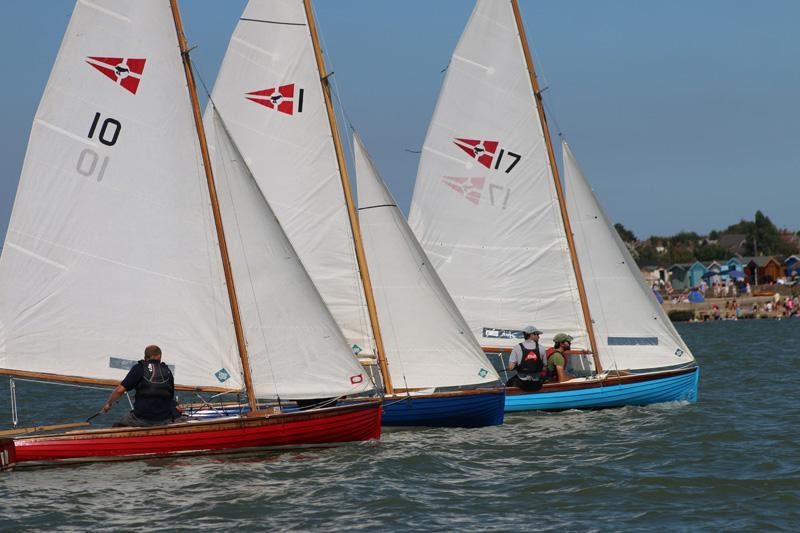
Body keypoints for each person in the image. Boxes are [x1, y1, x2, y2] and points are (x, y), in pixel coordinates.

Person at [101, 345, 185, 427]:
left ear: (145, 357)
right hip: (164, 419)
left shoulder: (139, 368)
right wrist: (176, 406)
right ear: (159, 357)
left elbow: (120, 390)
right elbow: (170, 396)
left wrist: (108, 403)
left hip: (142, 419)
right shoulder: (167, 371)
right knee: (180, 417)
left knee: (121, 422)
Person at [506, 325, 545, 391]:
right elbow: (544, 368)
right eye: (537, 334)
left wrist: (518, 366)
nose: (539, 337)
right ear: (532, 335)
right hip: (536, 384)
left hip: (522, 383)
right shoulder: (542, 348)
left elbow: (510, 367)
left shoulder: (516, 348)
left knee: (508, 383)